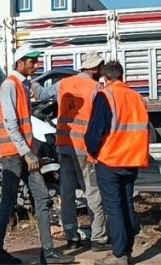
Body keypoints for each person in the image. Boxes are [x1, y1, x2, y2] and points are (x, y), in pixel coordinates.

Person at [0, 45, 74, 265]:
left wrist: (31, 152)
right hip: (14, 154)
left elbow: (23, 125)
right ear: (20, 63)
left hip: (24, 154)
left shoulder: (21, 86)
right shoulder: (10, 85)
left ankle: (48, 251)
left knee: (42, 198)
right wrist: (27, 153)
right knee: (8, 202)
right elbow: (10, 122)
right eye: (32, 62)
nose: (35, 65)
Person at [31, 51, 111, 252]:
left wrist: (31, 81)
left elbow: (41, 94)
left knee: (66, 192)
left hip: (63, 145)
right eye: (100, 67)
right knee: (92, 191)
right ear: (94, 68)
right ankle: (99, 237)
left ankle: (71, 235)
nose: (101, 71)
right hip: (84, 148)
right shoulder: (97, 88)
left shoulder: (64, 84)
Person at [85, 60, 150, 265]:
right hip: (132, 159)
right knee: (126, 203)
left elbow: (96, 130)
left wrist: (92, 151)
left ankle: (119, 253)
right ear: (121, 76)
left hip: (110, 158)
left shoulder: (106, 95)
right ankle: (127, 248)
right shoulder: (137, 97)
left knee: (113, 207)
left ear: (105, 77)